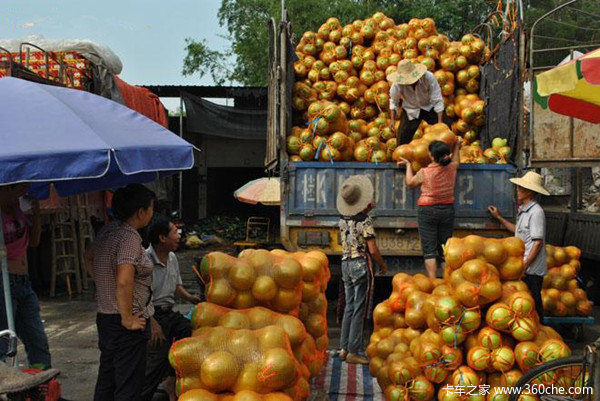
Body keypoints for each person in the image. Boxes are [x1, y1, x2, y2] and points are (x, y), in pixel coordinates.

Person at [88, 184, 155, 401]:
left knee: (108, 380)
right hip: (125, 323)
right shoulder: (129, 237)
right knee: (128, 386)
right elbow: (125, 280)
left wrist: (103, 282)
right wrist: (127, 319)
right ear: (141, 212)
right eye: (151, 208)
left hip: (106, 318)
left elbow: (88, 257)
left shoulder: (106, 231)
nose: (152, 213)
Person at [142, 215, 201, 401]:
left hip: (169, 313)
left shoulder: (172, 257)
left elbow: (176, 286)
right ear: (162, 238)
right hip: (151, 314)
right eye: (174, 232)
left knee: (188, 332)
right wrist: (152, 323)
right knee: (157, 360)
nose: (178, 235)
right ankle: (143, 395)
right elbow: (138, 297)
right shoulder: (145, 261)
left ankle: (170, 380)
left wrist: (192, 298)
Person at [337, 175, 388, 365]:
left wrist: (366, 209)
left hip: (345, 264)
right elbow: (372, 249)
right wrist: (382, 265)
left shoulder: (342, 220)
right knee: (359, 308)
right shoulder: (365, 222)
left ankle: (343, 348)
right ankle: (354, 351)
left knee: (349, 306)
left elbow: (342, 240)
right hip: (360, 264)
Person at [0, 184, 51, 369]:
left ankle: (45, 392)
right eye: (12, 189)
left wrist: (36, 213)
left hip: (23, 282)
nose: (18, 194)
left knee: (37, 341)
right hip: (4, 283)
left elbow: (35, 241)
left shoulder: (17, 210)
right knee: (3, 343)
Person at [488, 171, 549, 320]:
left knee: (533, 304)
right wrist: (499, 218)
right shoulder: (524, 211)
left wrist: (524, 265)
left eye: (520, 188)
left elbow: (537, 242)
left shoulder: (536, 212)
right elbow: (518, 231)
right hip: (524, 266)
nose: (517, 191)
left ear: (529, 192)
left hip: (531, 269)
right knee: (524, 304)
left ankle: (540, 332)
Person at [398, 139, 462, 279]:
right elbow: (457, 161)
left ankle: (433, 281)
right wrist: (456, 146)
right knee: (445, 248)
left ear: (432, 156)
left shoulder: (425, 172)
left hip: (427, 211)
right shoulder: (452, 168)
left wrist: (408, 165)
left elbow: (410, 183)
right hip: (447, 210)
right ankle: (446, 281)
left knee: (429, 249)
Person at [388, 59, 445, 145]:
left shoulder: (428, 77)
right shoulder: (397, 84)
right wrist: (392, 120)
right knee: (402, 139)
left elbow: (437, 99)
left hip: (429, 106)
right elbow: (393, 101)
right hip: (410, 109)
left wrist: (440, 122)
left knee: (446, 129)